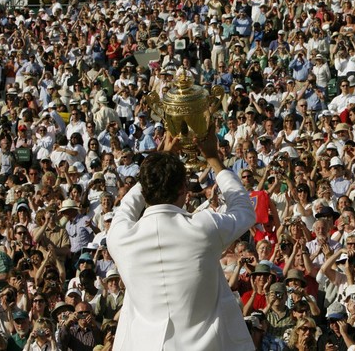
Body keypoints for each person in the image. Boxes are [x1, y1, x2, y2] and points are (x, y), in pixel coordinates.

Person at [107, 127, 256, 350]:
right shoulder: (204, 227)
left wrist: (158, 163)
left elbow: (126, 207)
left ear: (145, 191)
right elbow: (244, 210)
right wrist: (213, 159)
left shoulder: (120, 237)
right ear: (184, 189)